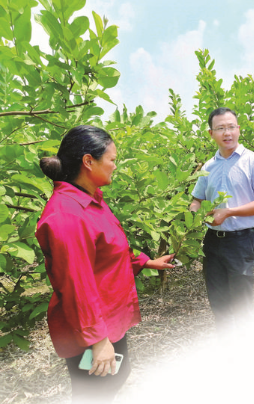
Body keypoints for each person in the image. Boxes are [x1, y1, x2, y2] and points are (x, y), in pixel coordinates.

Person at [35, 125, 175, 404]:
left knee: (117, 377)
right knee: (94, 393)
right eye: (111, 159)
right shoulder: (67, 215)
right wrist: (98, 341)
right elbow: (76, 282)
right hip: (90, 326)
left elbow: (107, 250)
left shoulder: (91, 201)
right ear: (89, 161)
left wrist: (146, 262)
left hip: (105, 317)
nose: (114, 166)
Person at [190, 107, 254, 333]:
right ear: (211, 133)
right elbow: (197, 199)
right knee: (219, 303)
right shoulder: (208, 167)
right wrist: (193, 216)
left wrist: (229, 212)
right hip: (212, 242)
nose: (227, 133)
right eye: (220, 128)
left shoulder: (253, 162)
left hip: (241, 241)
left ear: (238, 129)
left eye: (231, 127)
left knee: (243, 302)